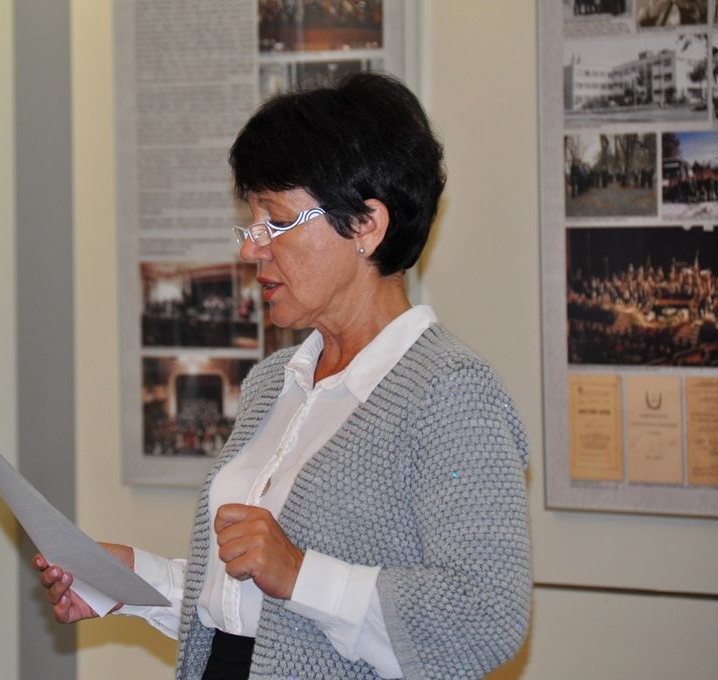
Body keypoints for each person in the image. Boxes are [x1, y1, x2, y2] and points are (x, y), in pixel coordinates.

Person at [35, 72, 530, 680]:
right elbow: (248, 610)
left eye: (275, 221)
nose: (251, 249)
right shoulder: (276, 381)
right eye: (252, 223)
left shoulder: (452, 393)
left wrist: (299, 573)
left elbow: (485, 617)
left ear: (366, 226)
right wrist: (132, 580)